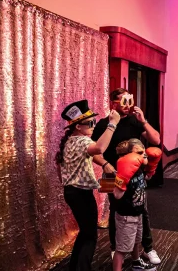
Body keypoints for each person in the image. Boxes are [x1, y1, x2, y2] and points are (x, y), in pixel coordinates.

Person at [91, 88, 161, 264]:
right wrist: (105, 165)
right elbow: (94, 151)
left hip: (135, 175)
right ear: (113, 102)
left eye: (129, 100)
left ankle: (148, 248)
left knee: (141, 210)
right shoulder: (102, 124)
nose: (128, 105)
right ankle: (115, 248)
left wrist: (143, 122)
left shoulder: (134, 121)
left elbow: (156, 140)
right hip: (110, 174)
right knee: (114, 211)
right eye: (123, 101)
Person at [55, 100, 120, 271]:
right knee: (90, 235)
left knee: (85, 232)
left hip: (70, 192)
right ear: (78, 126)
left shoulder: (69, 141)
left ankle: (75, 267)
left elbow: (59, 167)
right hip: (81, 194)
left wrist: (69, 181)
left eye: (94, 122)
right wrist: (112, 124)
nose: (93, 126)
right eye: (90, 123)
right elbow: (99, 148)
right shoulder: (83, 141)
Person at [112, 139, 157, 271]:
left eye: (144, 151)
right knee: (121, 249)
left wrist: (152, 168)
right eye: (139, 152)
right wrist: (123, 178)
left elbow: (146, 180)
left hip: (138, 213)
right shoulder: (125, 171)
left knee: (137, 241)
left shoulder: (138, 170)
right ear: (128, 156)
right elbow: (117, 195)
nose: (144, 154)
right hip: (126, 216)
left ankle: (136, 262)